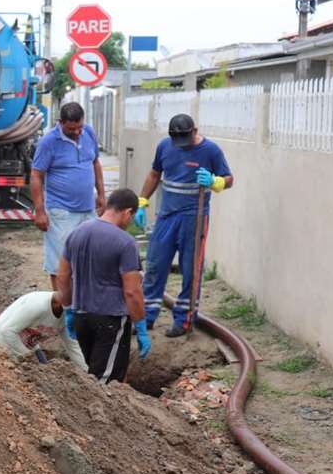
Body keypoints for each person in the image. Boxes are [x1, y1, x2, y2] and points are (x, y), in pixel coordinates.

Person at [135, 114, 233, 338]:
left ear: (194, 131)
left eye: (185, 139)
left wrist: (215, 182)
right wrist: (142, 201)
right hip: (167, 216)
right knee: (154, 266)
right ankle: (146, 316)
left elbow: (229, 179)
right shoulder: (164, 146)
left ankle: (184, 319)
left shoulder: (211, 151)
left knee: (191, 270)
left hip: (194, 218)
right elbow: (154, 173)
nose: (181, 144)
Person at [56, 188, 150, 384]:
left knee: (94, 373)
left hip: (82, 316)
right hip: (111, 320)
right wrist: (141, 326)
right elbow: (132, 291)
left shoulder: (76, 234)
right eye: (132, 217)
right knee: (104, 384)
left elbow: (63, 276)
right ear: (127, 212)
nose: (131, 222)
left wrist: (68, 309)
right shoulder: (125, 243)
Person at [30, 102, 106, 291]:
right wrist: (39, 211)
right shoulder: (49, 142)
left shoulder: (88, 132)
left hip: (87, 210)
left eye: (79, 126)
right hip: (61, 212)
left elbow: (95, 162)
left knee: (89, 258)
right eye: (72, 128)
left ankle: (83, 303)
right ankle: (62, 307)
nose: (77, 132)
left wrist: (102, 194)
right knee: (60, 263)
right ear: (61, 122)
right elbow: (36, 175)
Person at [0, 291, 89, 371]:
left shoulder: (67, 316)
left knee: (46, 373)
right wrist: (29, 358)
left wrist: (89, 375)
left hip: (28, 347)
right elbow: (7, 331)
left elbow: (73, 346)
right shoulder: (38, 305)